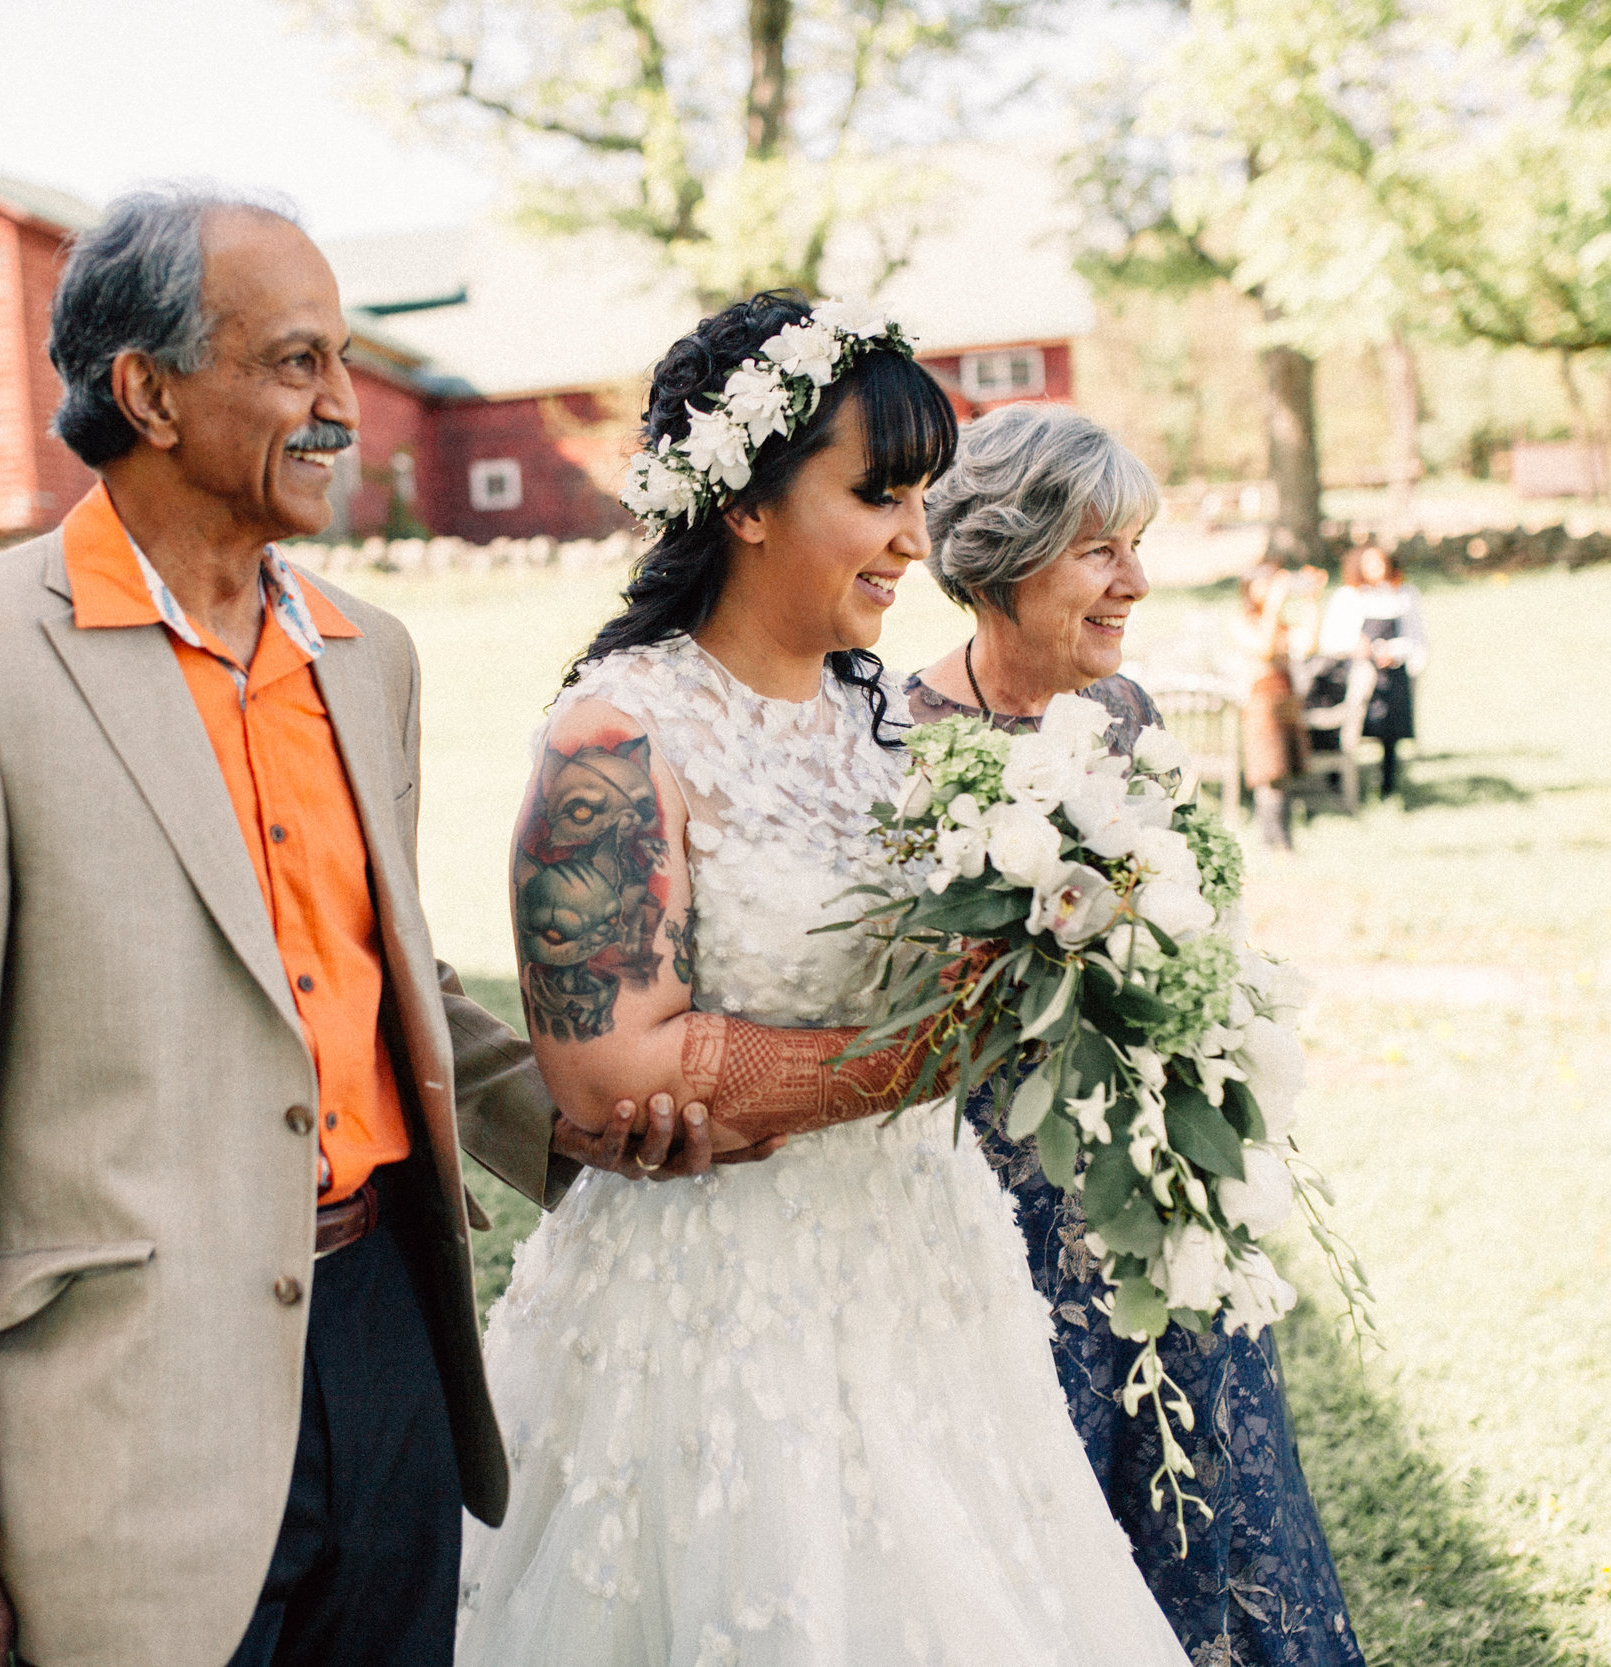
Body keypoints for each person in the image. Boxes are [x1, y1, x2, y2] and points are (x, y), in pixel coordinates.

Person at [0, 184, 725, 1667]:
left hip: (390, 1338)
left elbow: (380, 979)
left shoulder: (372, 657)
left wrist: (585, 1118)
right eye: (298, 362)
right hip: (127, 1402)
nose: (344, 408)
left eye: (344, 363)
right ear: (149, 390)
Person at [457, 294, 1191, 1666]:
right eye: (881, 494)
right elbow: (614, 1076)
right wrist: (924, 1049)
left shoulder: (886, 719)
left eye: (922, 495)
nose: (920, 536)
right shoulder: (618, 735)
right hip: (716, 1308)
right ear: (744, 501)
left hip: (928, 1269)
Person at [915, 403, 1366, 1667]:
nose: (1137, 580)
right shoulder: (901, 741)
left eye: (1137, 544)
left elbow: (1192, 927)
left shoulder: (1125, 711)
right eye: (1100, 551)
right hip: (995, 1208)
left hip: (1158, 1179)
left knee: (1210, 1488)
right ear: (1003, 560)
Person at [1317, 542, 1427, 798]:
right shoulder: (1348, 597)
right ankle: (1338, 779)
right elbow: (1329, 640)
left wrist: (1393, 652)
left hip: (1390, 676)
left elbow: (1418, 638)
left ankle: (1388, 784)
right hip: (1354, 674)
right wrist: (1356, 647)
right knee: (1345, 727)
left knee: (1389, 732)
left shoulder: (1404, 595)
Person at [1228, 562, 1309, 848]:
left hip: (1286, 699)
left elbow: (1309, 644)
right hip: (1260, 703)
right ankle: (1272, 841)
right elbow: (1264, 649)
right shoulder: (1240, 622)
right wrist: (1274, 606)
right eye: (1266, 584)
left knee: (1285, 773)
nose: (1273, 589)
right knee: (1268, 772)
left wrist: (1312, 602)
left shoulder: (1279, 623)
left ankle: (1283, 840)